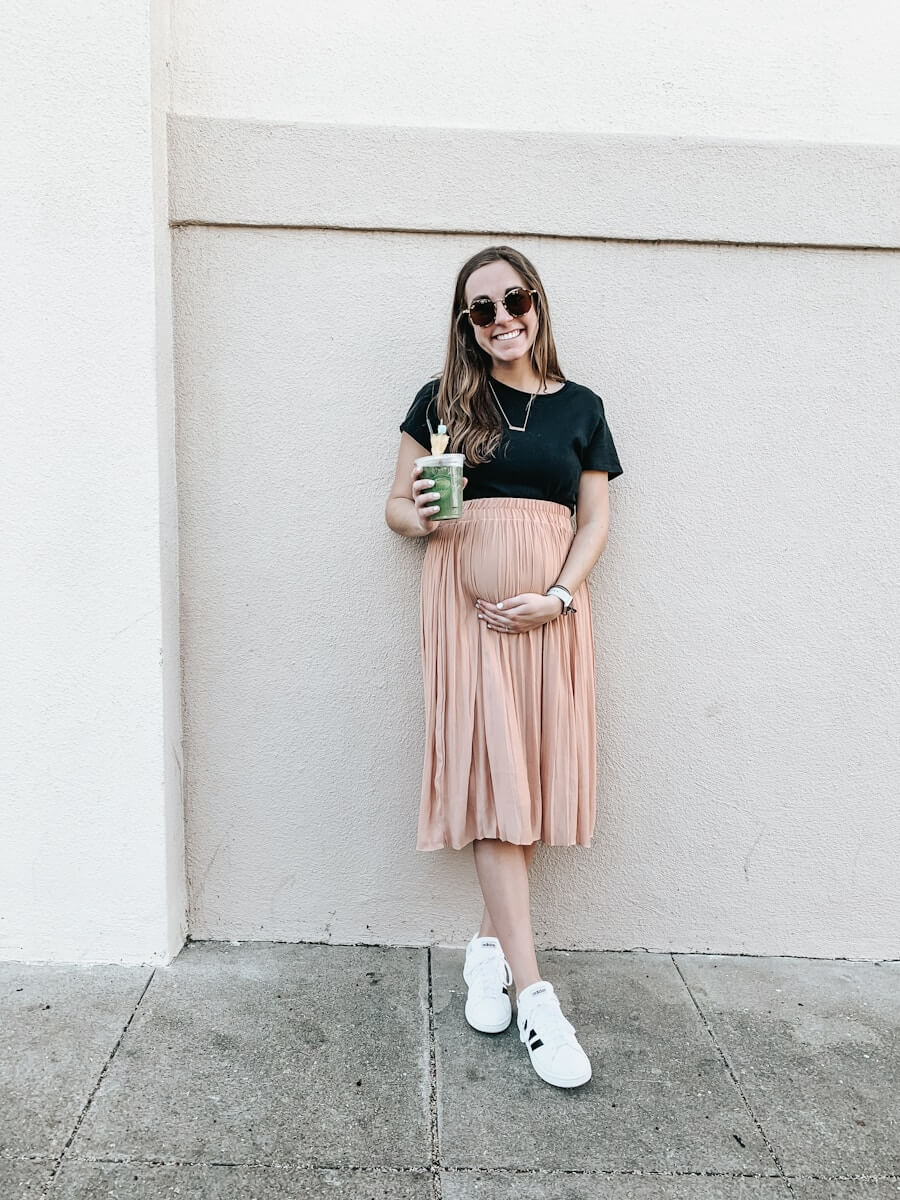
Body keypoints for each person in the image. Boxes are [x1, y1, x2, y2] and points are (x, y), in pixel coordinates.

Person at [384, 245, 623, 1089]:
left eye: (513, 300)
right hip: (467, 614)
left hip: (549, 619)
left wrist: (557, 596)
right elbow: (395, 506)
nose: (501, 319)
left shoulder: (584, 407)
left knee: (524, 787)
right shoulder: (443, 400)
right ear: (466, 325)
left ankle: (485, 951)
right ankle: (537, 999)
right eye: (480, 310)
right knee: (495, 791)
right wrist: (417, 513)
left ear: (537, 303)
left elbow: (593, 522)